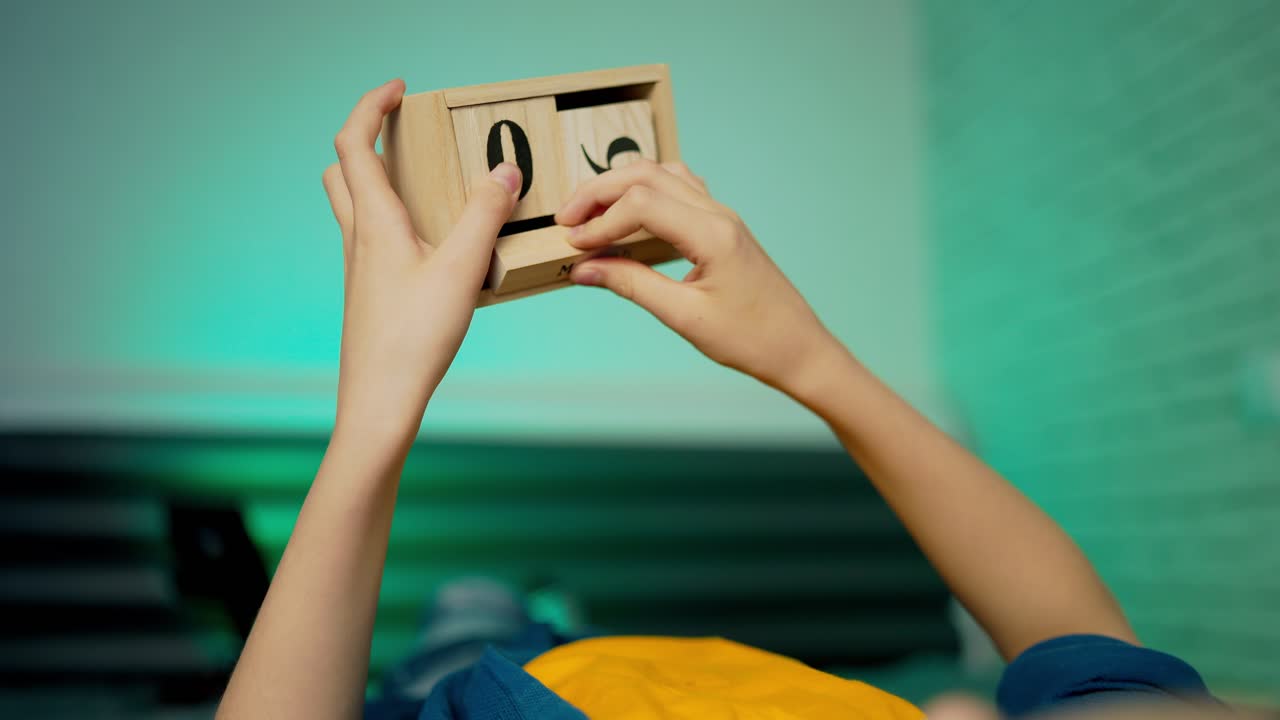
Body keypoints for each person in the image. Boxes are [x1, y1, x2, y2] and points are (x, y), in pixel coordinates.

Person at [214, 80, 1222, 719]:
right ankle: (538, 610)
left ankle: (517, 607)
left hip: (495, 678)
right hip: (676, 671)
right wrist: (812, 363)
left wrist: (375, 420)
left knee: (473, 618)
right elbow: (1078, 634)